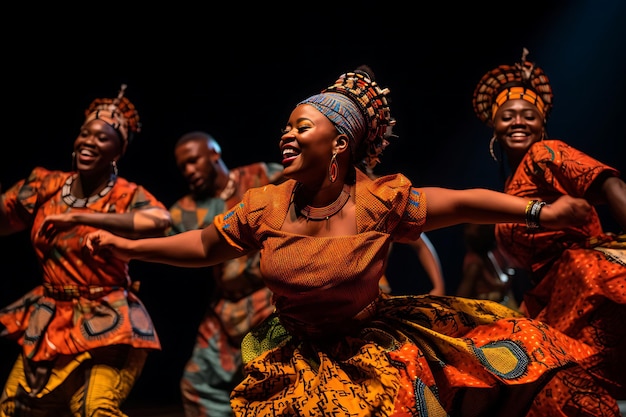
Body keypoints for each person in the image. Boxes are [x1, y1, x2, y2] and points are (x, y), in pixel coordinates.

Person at [85, 67, 621, 416]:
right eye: (286, 127)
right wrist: (131, 250)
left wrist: (539, 209)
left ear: (340, 142)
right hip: (295, 355)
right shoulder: (264, 203)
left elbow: (461, 201)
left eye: (301, 127)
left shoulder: (379, 199)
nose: (286, 135)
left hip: (372, 352)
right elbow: (203, 246)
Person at [0, 85, 172, 416]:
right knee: (13, 407)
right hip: (51, 317)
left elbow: (160, 220)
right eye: (85, 134)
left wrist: (80, 216)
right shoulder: (44, 185)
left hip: (107, 317)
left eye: (102, 138)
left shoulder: (125, 194)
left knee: (95, 409)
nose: (89, 142)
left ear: (117, 152)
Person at [472, 47, 626, 400]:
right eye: (507, 116)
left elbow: (611, 184)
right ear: (494, 126)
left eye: (529, 115)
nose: (518, 122)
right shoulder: (512, 189)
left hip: (587, 281)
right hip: (552, 299)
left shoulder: (545, 153)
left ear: (542, 125)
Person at [168, 131, 283, 417]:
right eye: (183, 167)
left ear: (214, 154)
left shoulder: (261, 176)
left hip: (267, 301)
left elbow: (309, 185)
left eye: (194, 161)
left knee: (274, 379)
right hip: (225, 306)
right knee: (196, 383)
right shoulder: (185, 210)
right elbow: (160, 233)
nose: (189, 170)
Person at [456, 223, 522, 310]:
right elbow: (460, 299)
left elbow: (501, 283)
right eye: (486, 228)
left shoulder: (489, 256)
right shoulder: (475, 264)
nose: (491, 229)